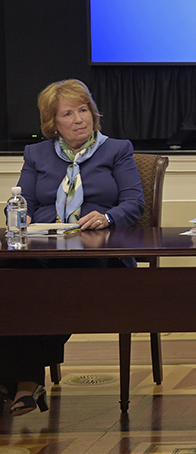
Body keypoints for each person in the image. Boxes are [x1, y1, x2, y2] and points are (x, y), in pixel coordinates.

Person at [0, 79, 144, 416]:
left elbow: (134, 203)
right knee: (7, 277)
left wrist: (107, 217)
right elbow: (22, 204)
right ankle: (23, 380)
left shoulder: (116, 149)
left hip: (99, 252)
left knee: (59, 285)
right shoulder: (36, 154)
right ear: (53, 123)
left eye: (84, 110)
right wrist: (19, 216)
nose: (79, 119)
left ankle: (20, 380)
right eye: (68, 113)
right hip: (44, 246)